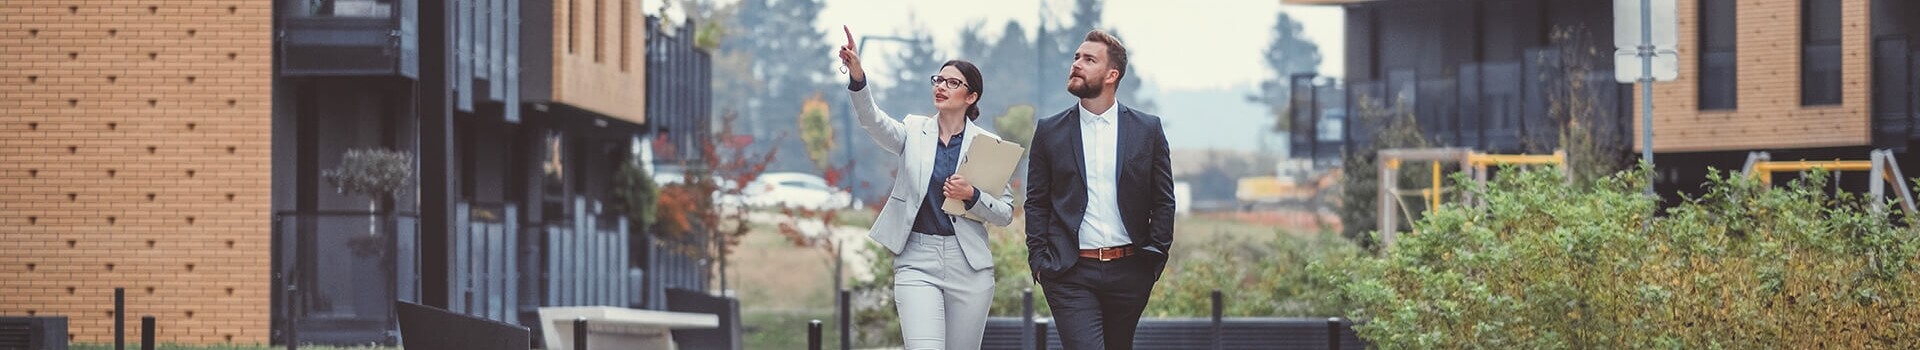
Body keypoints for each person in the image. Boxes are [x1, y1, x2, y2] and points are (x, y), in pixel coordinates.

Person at [838, 26, 1016, 350]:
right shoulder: (912, 130)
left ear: (971, 96)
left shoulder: (988, 145)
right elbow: (872, 121)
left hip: (969, 265)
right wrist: (858, 77)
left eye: (953, 82)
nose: (942, 86)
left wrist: (972, 196)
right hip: (917, 259)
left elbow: (1005, 213)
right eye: (939, 80)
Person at [1022, 29, 1174, 350]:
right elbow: (1036, 202)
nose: (1077, 64)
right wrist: (1039, 260)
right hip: (1069, 271)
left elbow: (1163, 200)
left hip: (1131, 270)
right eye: (1077, 57)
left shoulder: (1147, 129)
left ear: (1111, 74)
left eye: (1089, 59)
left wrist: (1155, 259)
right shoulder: (1050, 131)